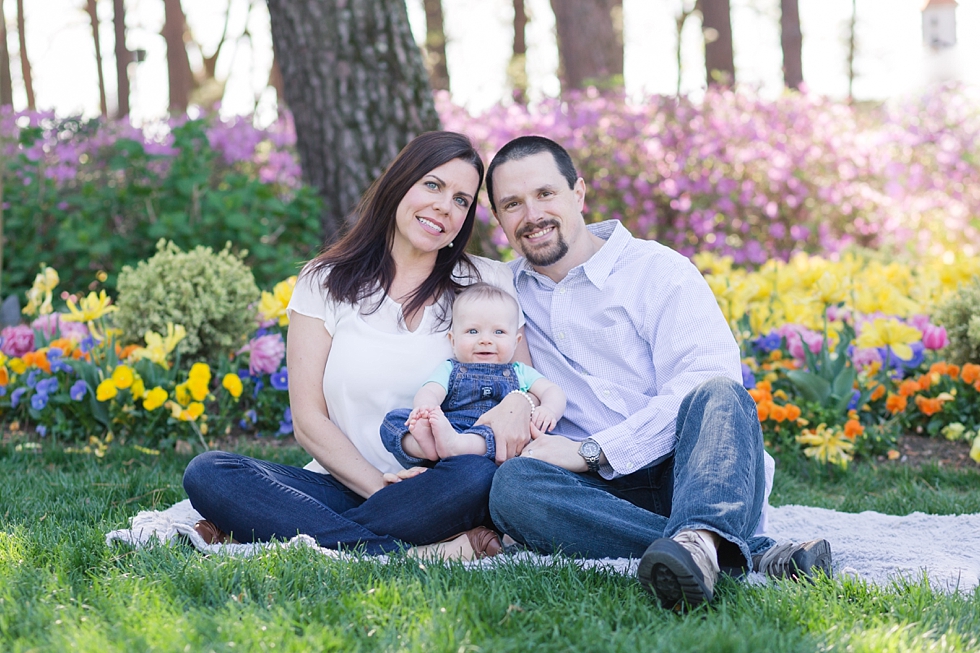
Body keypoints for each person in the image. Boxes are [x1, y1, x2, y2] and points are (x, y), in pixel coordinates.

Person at [482, 135, 832, 609]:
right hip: (598, 498)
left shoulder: (658, 271)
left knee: (719, 392)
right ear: (499, 220)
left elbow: (704, 376)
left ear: (578, 194)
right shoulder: (505, 294)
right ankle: (728, 550)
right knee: (514, 489)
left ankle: (702, 535)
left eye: (545, 194)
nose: (532, 215)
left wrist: (593, 450)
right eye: (512, 204)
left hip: (694, 473)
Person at [182, 131, 527, 561]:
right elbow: (308, 420)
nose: (444, 205)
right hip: (346, 483)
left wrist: (521, 405)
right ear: (400, 183)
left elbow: (522, 386)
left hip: (447, 486)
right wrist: (377, 484)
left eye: (462, 199)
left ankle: (302, 535)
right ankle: (422, 550)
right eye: (433, 185)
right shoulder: (323, 281)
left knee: (476, 474)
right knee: (211, 472)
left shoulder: (487, 283)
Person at [381, 281, 566, 467]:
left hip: (493, 433)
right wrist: (425, 409)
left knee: (501, 437)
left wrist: (549, 409)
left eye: (499, 332)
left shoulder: (520, 371)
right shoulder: (450, 368)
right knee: (394, 420)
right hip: (449, 427)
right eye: (473, 331)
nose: (485, 340)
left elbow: (552, 390)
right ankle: (424, 447)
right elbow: (431, 390)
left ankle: (457, 446)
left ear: (516, 342)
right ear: (453, 341)